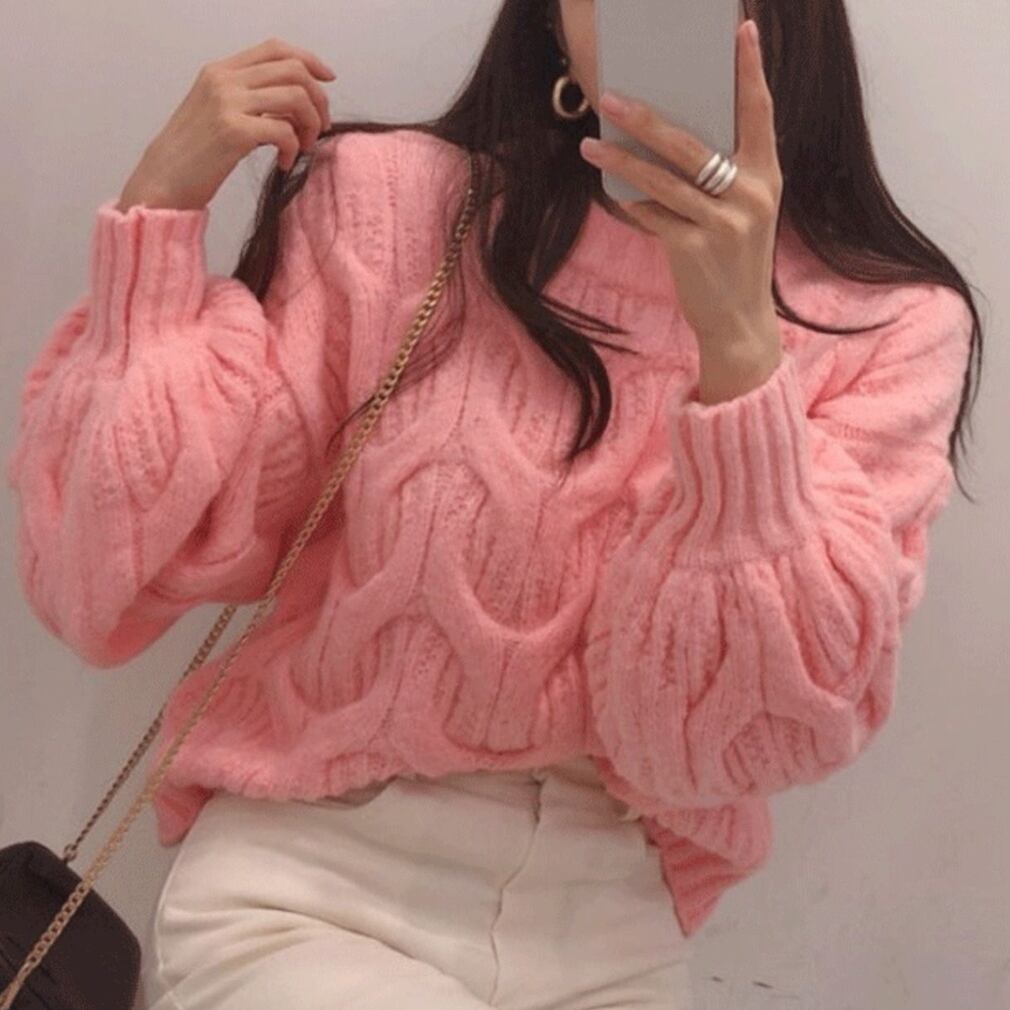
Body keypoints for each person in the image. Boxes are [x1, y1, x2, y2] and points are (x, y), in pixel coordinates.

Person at [5, 2, 982, 1008]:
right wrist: (155, 224)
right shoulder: (393, 206)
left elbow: (717, 743)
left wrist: (739, 353)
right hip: (315, 877)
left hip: (615, 927)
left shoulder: (889, 327)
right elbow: (100, 577)